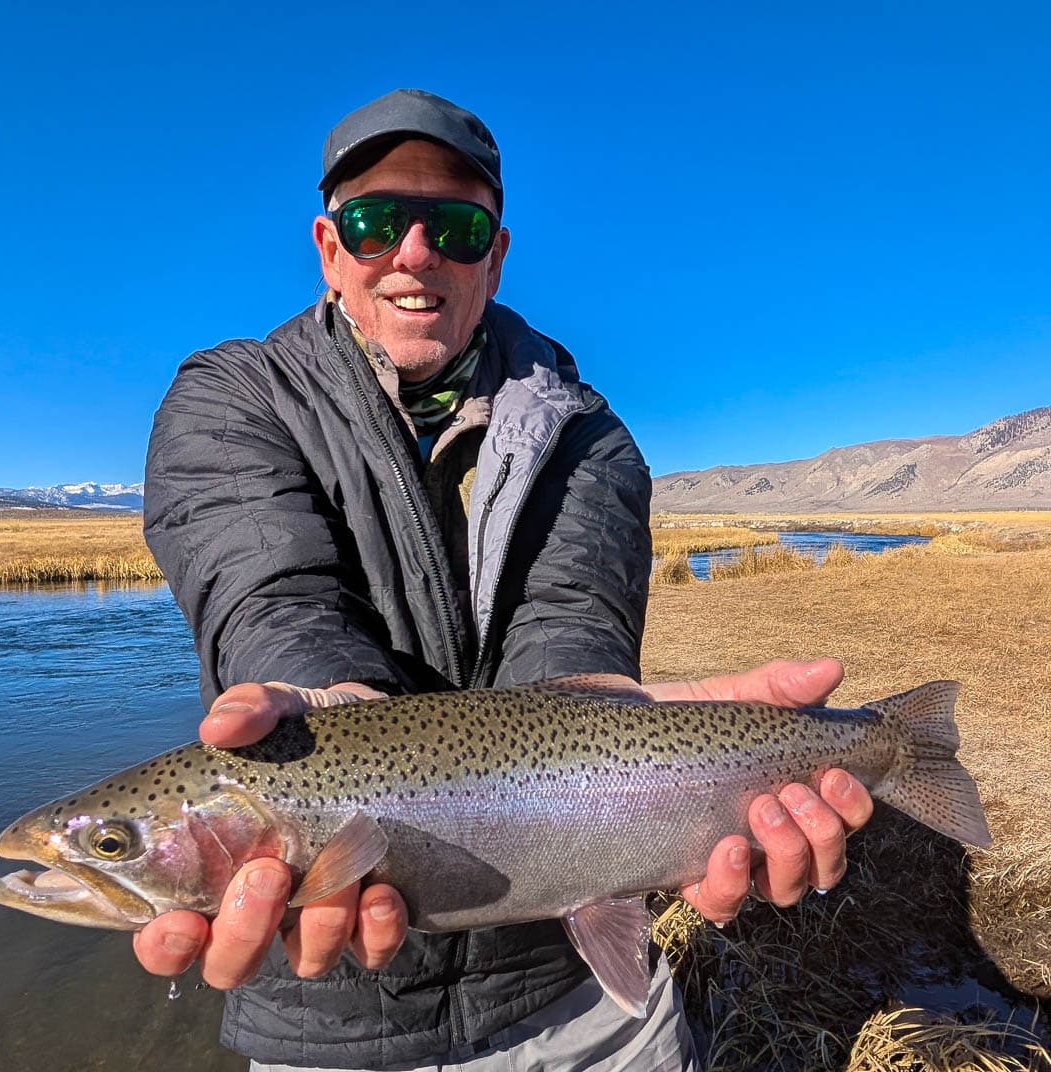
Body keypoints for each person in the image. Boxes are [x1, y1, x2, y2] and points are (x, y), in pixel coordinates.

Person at [139, 89, 874, 1070]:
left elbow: (571, 634)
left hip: (577, 997)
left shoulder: (588, 435)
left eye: (452, 224)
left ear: (494, 252)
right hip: (329, 1015)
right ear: (328, 245)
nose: (412, 252)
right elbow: (266, 591)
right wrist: (324, 716)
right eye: (372, 221)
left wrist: (660, 760)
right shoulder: (230, 398)